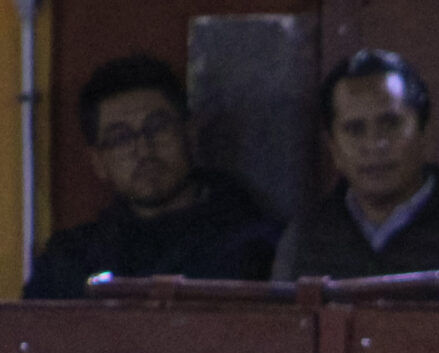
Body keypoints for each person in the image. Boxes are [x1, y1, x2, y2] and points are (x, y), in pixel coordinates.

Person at [270, 49, 439, 301]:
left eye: (390, 124)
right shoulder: (302, 241)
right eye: (355, 129)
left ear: (426, 136)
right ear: (334, 149)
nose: (375, 144)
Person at [24, 54, 280, 301]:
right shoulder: (70, 261)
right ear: (98, 161)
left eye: (157, 127)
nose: (144, 149)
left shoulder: (256, 245)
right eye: (121, 137)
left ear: (189, 133)